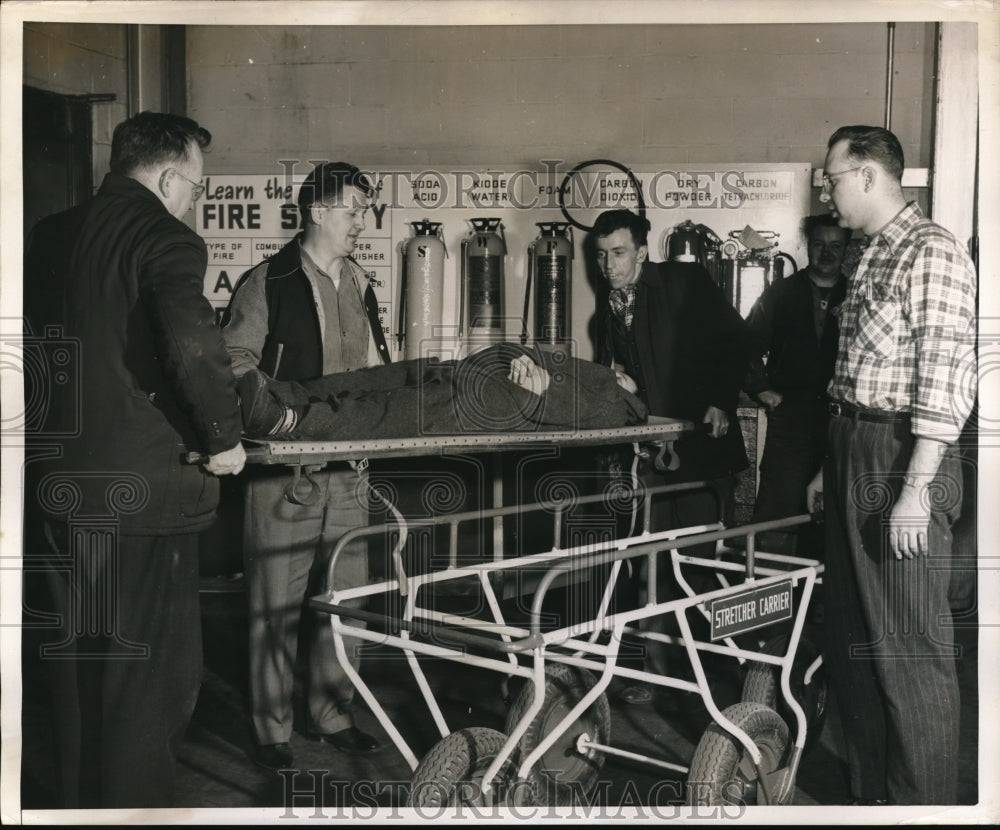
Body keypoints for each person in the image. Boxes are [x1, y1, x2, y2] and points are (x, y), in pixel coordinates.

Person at [22, 111, 246, 808]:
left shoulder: (51, 233)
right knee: (149, 687)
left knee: (79, 676)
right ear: (170, 177)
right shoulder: (165, 236)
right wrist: (223, 438)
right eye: (197, 188)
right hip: (145, 501)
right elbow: (191, 348)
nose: (195, 200)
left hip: (62, 488)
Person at [806, 125, 976, 805]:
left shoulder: (930, 251)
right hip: (853, 445)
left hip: (902, 454)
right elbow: (855, 372)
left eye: (833, 176)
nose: (827, 188)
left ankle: (923, 807)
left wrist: (915, 489)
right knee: (854, 637)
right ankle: (873, 794)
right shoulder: (868, 253)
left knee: (909, 648)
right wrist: (829, 464)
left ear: (870, 175)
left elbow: (945, 376)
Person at [222, 162, 389, 770]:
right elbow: (235, 364)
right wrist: (280, 420)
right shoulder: (267, 281)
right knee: (275, 605)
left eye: (365, 211)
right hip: (285, 476)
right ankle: (272, 729)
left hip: (347, 472)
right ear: (318, 211)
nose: (361, 224)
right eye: (353, 211)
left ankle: (331, 712)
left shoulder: (360, 282)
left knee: (346, 599)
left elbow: (374, 368)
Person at [591, 209, 753, 705]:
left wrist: (722, 400)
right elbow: (640, 374)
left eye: (618, 253)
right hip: (657, 454)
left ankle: (716, 677)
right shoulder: (609, 310)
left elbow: (736, 339)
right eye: (601, 256)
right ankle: (657, 674)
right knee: (652, 566)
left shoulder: (684, 280)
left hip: (702, 450)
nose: (608, 265)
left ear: (642, 251)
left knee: (700, 565)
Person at [236, 342, 648, 440]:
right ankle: (283, 392)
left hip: (494, 401)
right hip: (476, 371)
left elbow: (602, 416)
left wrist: (541, 389)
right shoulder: (598, 373)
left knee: (385, 410)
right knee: (374, 380)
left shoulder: (621, 400)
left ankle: (285, 419)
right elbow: (532, 353)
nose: (618, 373)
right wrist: (520, 360)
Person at [742, 213, 850, 556]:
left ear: (847, 249)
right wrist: (760, 388)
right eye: (819, 244)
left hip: (841, 423)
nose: (827, 253)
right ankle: (769, 599)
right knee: (777, 515)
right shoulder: (783, 292)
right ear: (807, 247)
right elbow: (744, 344)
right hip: (790, 420)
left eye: (836, 245)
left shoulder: (856, 294)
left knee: (831, 517)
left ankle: (818, 605)